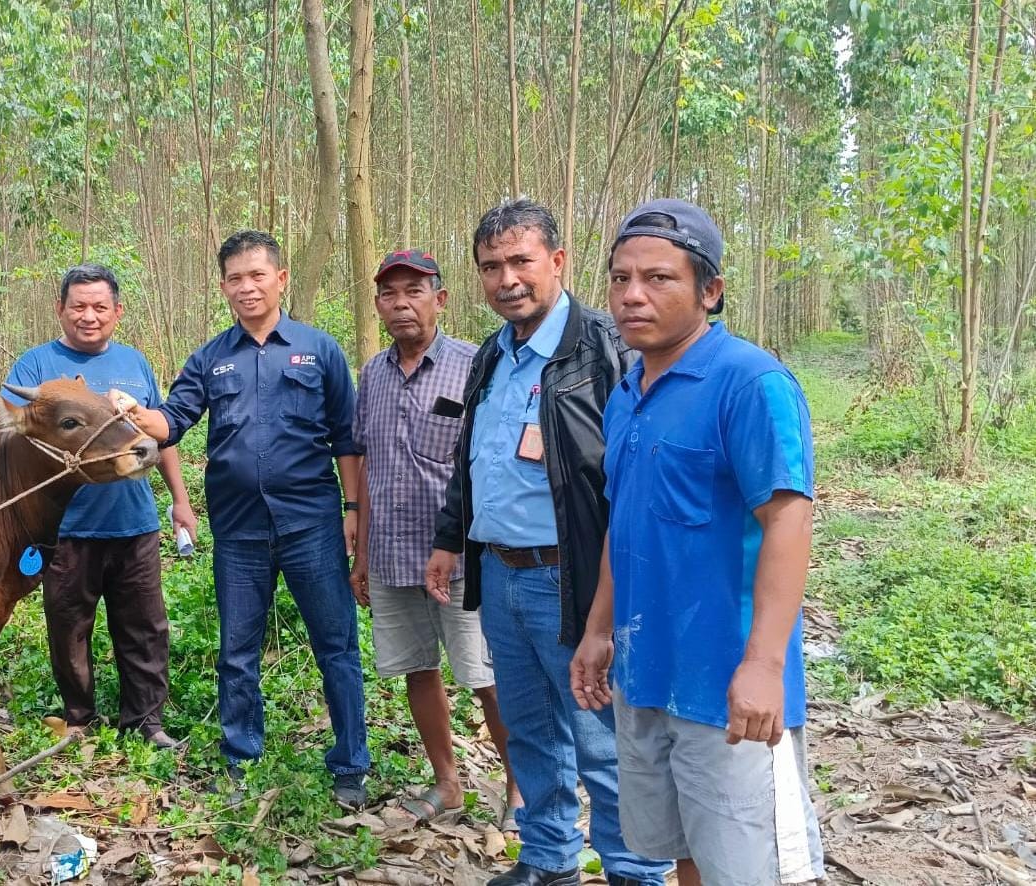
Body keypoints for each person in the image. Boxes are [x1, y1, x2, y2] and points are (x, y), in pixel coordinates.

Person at [572, 198, 823, 886]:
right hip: (648, 670)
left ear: (708, 290)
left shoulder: (749, 382)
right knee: (683, 850)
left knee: (749, 867)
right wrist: (598, 630)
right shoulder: (628, 391)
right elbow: (626, 520)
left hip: (727, 683)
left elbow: (786, 520)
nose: (631, 295)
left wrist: (764, 667)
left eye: (657, 278)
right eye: (620, 278)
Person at [426, 199, 668, 886]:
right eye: (491, 267)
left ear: (556, 262)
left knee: (601, 737)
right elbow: (472, 459)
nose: (507, 279)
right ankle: (549, 858)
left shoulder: (602, 348)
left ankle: (632, 870)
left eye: (521, 262)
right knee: (529, 729)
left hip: (574, 579)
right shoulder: (490, 357)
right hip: (498, 574)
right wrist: (450, 538)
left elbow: (633, 476)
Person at [123, 230, 370, 808]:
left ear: (281, 279)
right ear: (223, 287)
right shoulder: (211, 358)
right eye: (235, 278)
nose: (247, 287)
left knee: (336, 645)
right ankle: (241, 757)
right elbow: (172, 421)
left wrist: (353, 510)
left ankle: (351, 764)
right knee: (237, 650)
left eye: (258, 275)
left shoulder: (319, 350)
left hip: (312, 524)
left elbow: (348, 439)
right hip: (239, 531)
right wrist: (136, 412)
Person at [0, 263, 195, 749]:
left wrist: (181, 501)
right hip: (63, 528)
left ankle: (146, 722)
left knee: (145, 625)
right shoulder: (36, 367)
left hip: (133, 521)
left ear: (117, 311)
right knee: (68, 625)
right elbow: (8, 423)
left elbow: (159, 435)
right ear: (60, 309)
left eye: (100, 307)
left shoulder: (136, 363)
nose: (89, 316)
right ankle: (80, 718)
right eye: (78, 306)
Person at [348, 249, 523, 825]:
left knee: (484, 676)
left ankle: (520, 786)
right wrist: (363, 551)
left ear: (440, 299)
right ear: (377, 306)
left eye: (414, 292)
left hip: (459, 557)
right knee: (417, 670)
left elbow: (491, 464)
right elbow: (369, 466)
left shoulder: (476, 365)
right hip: (393, 551)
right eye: (390, 295)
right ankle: (446, 783)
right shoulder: (370, 374)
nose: (401, 305)